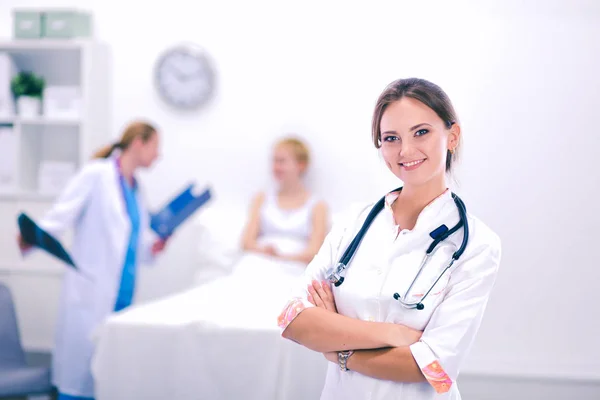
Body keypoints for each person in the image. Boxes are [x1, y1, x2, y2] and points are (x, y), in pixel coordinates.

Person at [277, 78, 502, 399]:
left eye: (421, 132)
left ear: (452, 136)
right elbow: (292, 321)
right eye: (391, 138)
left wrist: (339, 348)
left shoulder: (478, 245)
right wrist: (394, 334)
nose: (405, 150)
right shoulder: (352, 224)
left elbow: (433, 368)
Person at [17, 120, 168, 400]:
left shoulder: (136, 188)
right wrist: (33, 236)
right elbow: (62, 213)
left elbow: (137, 240)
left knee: (108, 373)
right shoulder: (97, 174)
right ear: (138, 143)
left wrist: (156, 245)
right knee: (81, 374)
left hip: (122, 293)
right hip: (91, 291)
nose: (159, 155)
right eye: (156, 147)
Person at [240, 137, 329, 266]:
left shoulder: (318, 206)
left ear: (301, 165)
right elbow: (246, 241)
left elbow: (315, 251)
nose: (276, 167)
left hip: (294, 269)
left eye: (282, 161)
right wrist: (264, 251)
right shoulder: (261, 199)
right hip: (258, 262)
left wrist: (281, 257)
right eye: (274, 161)